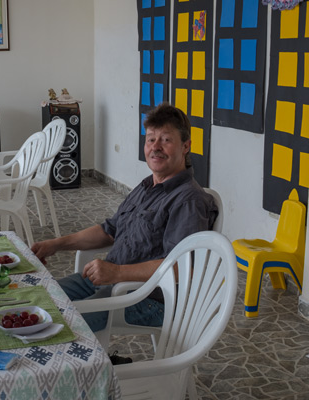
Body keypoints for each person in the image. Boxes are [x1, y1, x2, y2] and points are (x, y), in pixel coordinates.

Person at [31, 102, 218, 334]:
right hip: (110, 282)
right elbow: (109, 230)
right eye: (151, 139)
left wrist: (117, 272)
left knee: (58, 325)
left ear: (186, 146)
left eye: (166, 140)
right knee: (38, 300)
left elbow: (182, 266)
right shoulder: (147, 186)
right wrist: (56, 244)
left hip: (148, 298)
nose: (155, 147)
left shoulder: (188, 199)